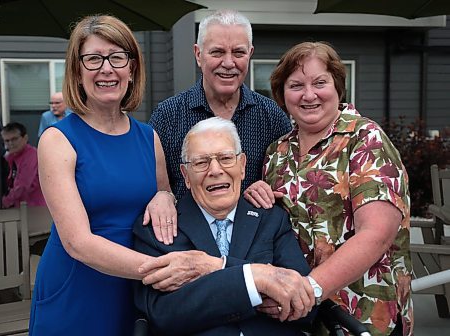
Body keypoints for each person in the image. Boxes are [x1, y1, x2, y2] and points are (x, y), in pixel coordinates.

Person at [29, 15, 217, 335]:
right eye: (93, 59)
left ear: (131, 69)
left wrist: (163, 196)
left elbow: (162, 193)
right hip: (78, 288)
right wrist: (164, 270)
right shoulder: (57, 140)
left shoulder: (149, 138)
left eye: (117, 57)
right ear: (77, 70)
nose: (107, 69)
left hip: (135, 293)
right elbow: (78, 242)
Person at [246, 42, 413, 335]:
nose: (309, 95)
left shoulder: (365, 140)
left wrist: (308, 289)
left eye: (319, 82)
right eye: (296, 85)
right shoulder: (277, 151)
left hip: (362, 315)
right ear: (282, 95)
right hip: (297, 318)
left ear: (337, 86)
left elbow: (376, 235)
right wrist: (254, 196)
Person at [134, 117, 316, 335]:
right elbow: (163, 314)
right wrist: (256, 281)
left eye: (225, 158)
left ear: (242, 166)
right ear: (186, 175)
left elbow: (303, 301)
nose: (215, 170)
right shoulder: (158, 227)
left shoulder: (271, 219)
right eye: (201, 162)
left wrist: (213, 276)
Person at [149, 9, 292, 200]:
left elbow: (288, 185)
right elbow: (152, 188)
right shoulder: (167, 116)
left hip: (255, 228)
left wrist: (267, 188)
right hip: (187, 229)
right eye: (217, 52)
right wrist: (163, 197)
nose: (228, 63)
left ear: (249, 54)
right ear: (198, 54)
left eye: (238, 52)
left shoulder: (272, 117)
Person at [0, 122, 45, 209]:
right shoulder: (10, 157)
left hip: (35, 209)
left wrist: (2, 203)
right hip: (21, 208)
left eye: (14, 139)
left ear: (25, 138)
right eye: (7, 140)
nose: (11, 143)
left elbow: (22, 186)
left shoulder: (31, 156)